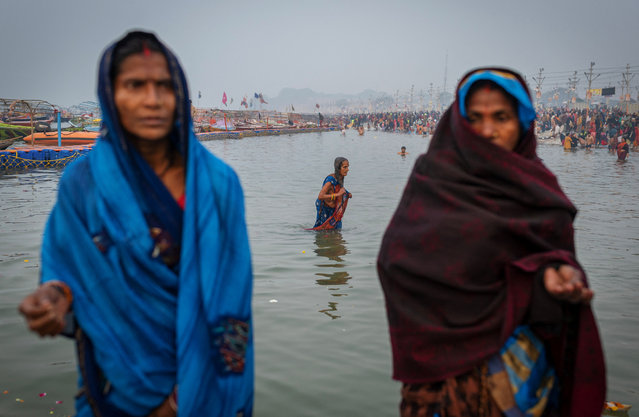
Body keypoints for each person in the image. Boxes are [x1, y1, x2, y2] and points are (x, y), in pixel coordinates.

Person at [18, 31, 254, 417]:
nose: (152, 99)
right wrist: (53, 298)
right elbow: (66, 273)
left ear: (179, 93)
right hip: (115, 390)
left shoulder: (218, 184)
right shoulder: (82, 183)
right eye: (135, 85)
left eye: (164, 85)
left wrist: (181, 401)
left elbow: (231, 304)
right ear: (111, 95)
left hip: (203, 394)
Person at [377, 68, 605, 417]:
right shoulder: (434, 180)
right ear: (458, 123)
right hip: (440, 383)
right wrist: (527, 282)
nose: (487, 130)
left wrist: (553, 277)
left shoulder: (540, 190)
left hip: (521, 378)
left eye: (501, 117)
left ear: (523, 122)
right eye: (475, 118)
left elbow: (553, 259)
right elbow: (396, 265)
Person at [309, 157, 352, 230]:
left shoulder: (340, 178)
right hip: (324, 208)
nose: (347, 169)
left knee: (336, 230)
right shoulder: (330, 180)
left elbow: (338, 189)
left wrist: (347, 193)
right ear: (338, 168)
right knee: (322, 230)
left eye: (348, 167)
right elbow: (320, 196)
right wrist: (338, 195)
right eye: (345, 167)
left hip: (333, 209)